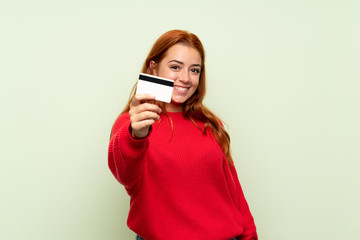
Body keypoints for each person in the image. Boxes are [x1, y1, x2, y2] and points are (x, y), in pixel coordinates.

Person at [108, 29, 258, 240]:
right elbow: (125, 176)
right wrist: (136, 134)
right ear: (154, 67)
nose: (185, 78)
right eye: (175, 67)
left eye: (194, 70)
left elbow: (233, 192)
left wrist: (250, 236)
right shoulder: (131, 125)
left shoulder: (210, 124)